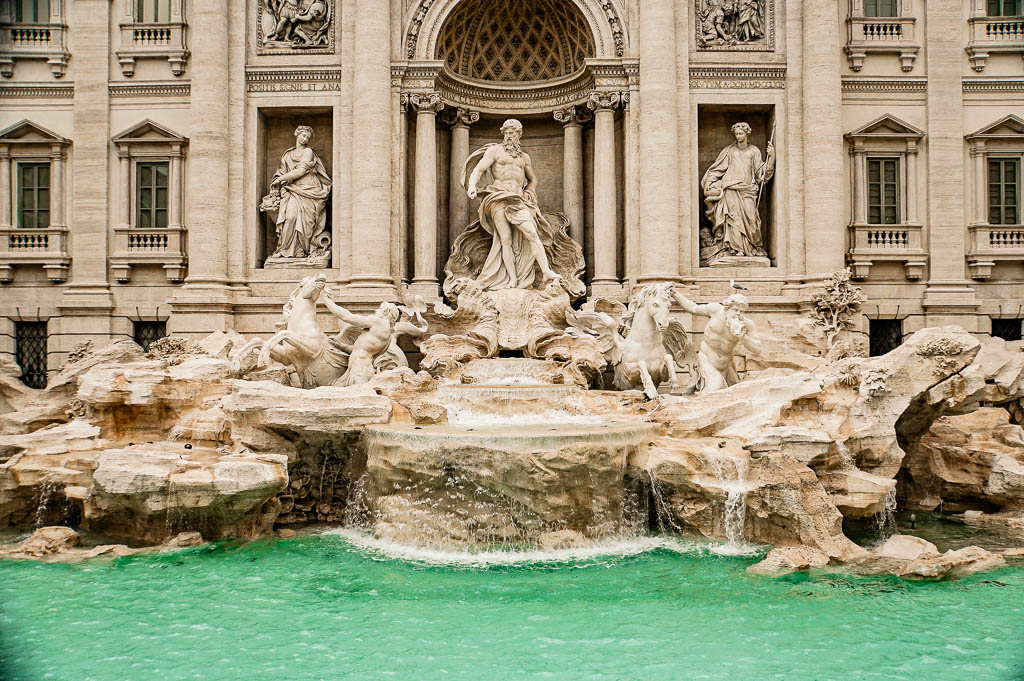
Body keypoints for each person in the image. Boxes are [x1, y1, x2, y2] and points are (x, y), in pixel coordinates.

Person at [461, 119, 560, 290]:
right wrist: (471, 186)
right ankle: (512, 280)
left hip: (518, 199)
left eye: (513, 133)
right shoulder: (494, 151)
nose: (509, 136)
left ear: (519, 135)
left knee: (531, 232)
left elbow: (532, 179)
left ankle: (546, 272)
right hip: (498, 196)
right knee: (504, 239)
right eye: (506, 132)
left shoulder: (524, 157)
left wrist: (530, 190)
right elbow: (479, 169)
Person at [701, 122, 775, 259]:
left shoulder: (754, 151)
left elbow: (762, 174)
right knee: (732, 220)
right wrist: (711, 182)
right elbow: (717, 169)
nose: (738, 136)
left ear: (747, 134)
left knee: (751, 221)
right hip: (731, 190)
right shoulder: (729, 151)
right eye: (736, 134)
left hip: (748, 191)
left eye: (741, 133)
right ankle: (735, 249)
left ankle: (751, 247)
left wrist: (771, 157)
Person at [670, 288, 762, 393]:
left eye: (741, 311)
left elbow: (757, 349)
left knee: (735, 393)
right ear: (727, 308)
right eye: (735, 310)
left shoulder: (746, 324)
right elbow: (693, 308)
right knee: (716, 389)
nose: (738, 314)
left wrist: (742, 337)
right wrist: (675, 294)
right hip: (707, 361)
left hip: (727, 366)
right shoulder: (715, 310)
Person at [266, 126, 331, 260]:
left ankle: (302, 250)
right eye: (303, 135)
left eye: (307, 137)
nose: (305, 139)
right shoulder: (287, 154)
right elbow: (282, 171)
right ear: (296, 135)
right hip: (292, 190)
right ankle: (284, 249)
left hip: (309, 189)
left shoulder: (308, 152)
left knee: (307, 222)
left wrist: (280, 180)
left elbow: (300, 171)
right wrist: (278, 179)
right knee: (290, 217)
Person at [322, 289, 400, 387]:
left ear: (386, 311)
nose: (376, 311)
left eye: (379, 309)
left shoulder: (379, 322)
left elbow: (347, 317)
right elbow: (361, 349)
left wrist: (326, 301)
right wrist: (340, 345)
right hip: (356, 368)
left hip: (360, 369)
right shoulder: (385, 332)